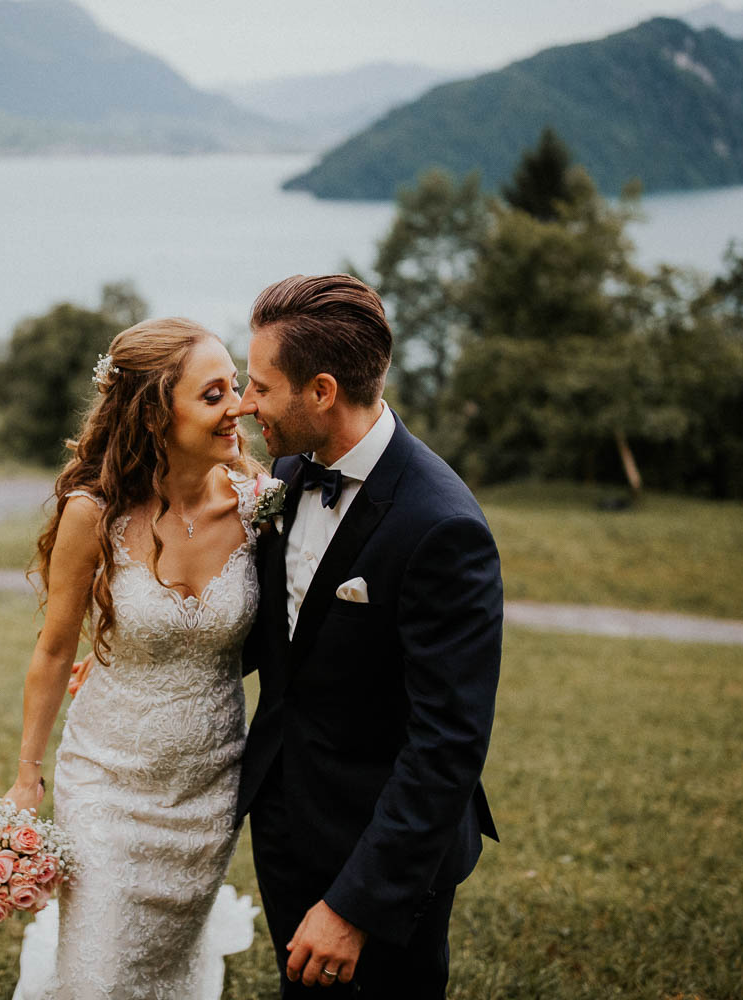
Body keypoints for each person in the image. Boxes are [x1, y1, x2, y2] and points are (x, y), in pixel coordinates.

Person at [233, 274, 503, 998]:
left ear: (322, 391)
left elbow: (448, 742)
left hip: (381, 853)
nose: (243, 402)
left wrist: (356, 906)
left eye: (259, 386)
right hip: (286, 815)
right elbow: (282, 635)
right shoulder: (287, 473)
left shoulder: (441, 527)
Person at [3, 317, 264, 1000]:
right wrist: (27, 779)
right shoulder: (96, 513)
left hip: (208, 792)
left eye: (235, 386)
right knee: (98, 976)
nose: (238, 405)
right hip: (107, 783)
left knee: (168, 976)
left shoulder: (259, 507)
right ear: (154, 414)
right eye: (214, 395)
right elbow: (56, 648)